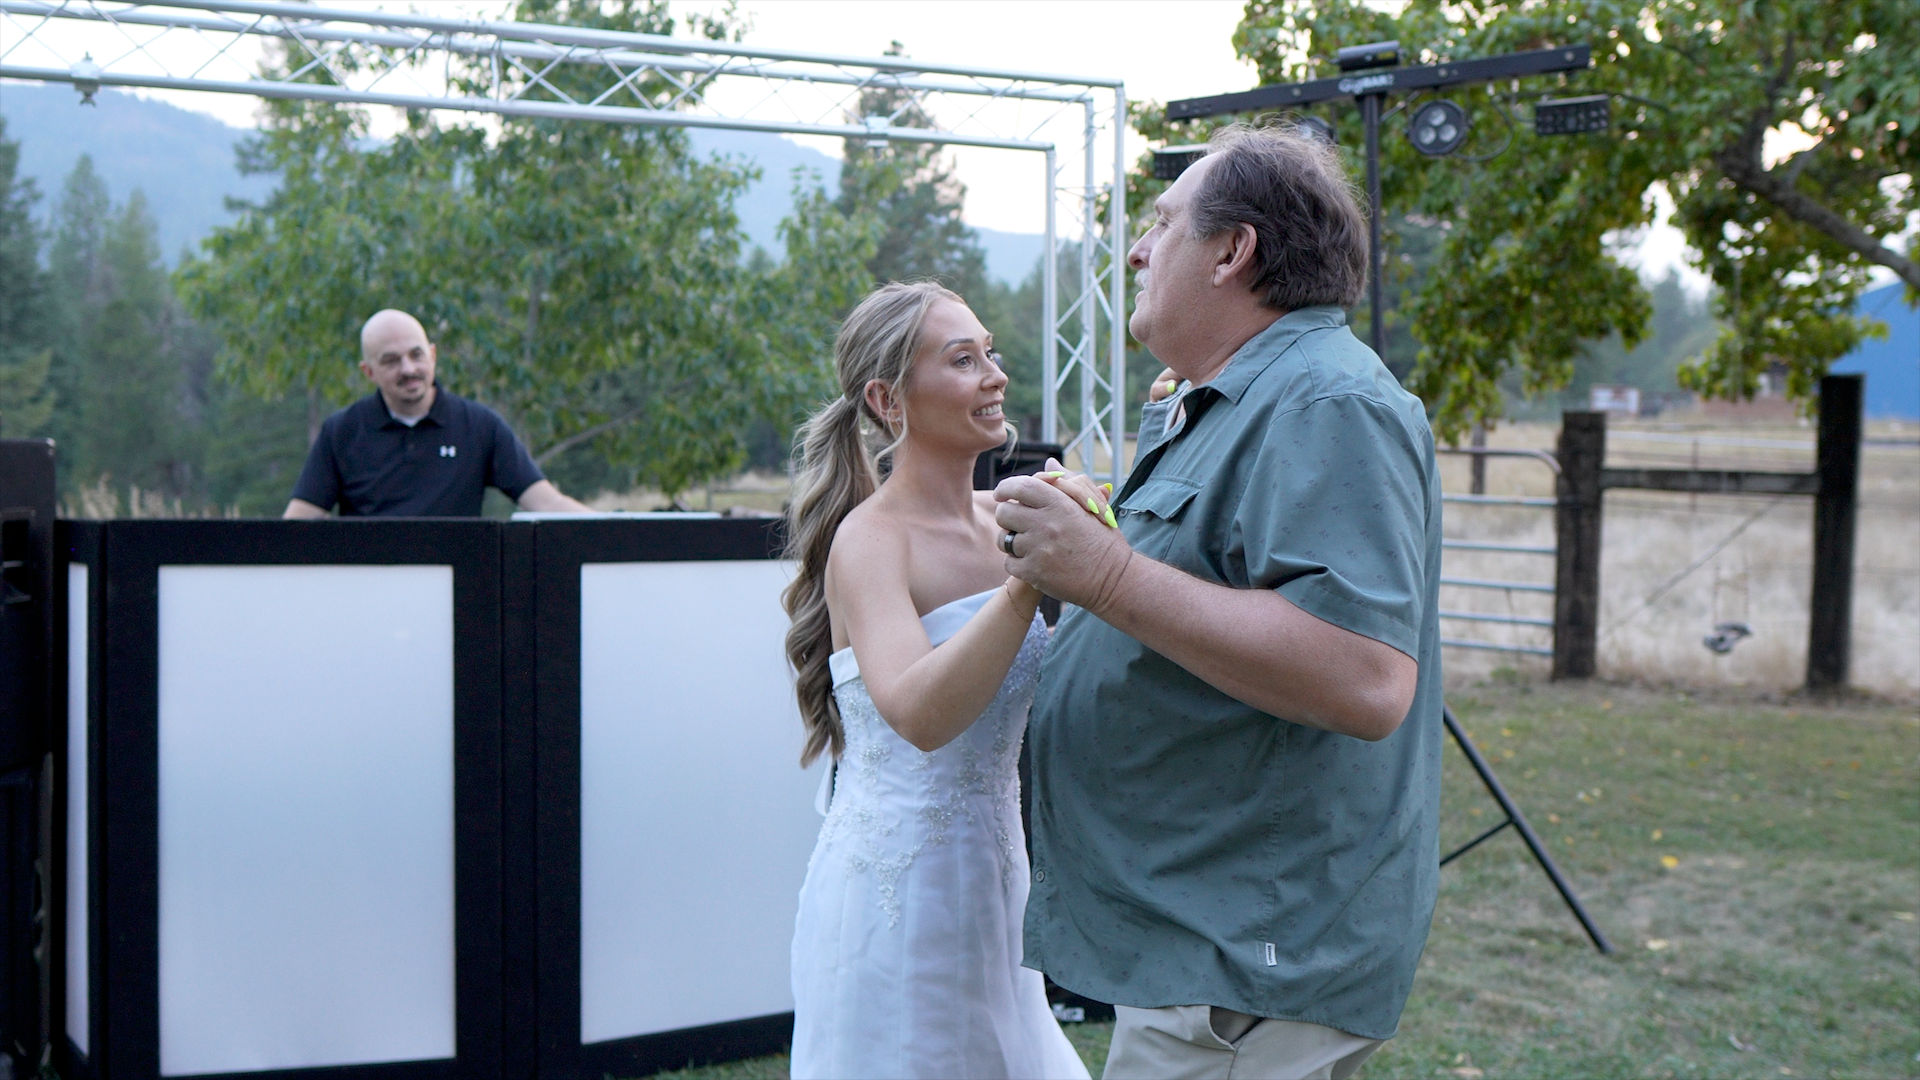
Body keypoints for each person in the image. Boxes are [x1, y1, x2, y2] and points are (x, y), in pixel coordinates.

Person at [994, 124, 1444, 1079]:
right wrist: (1086, 565)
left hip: (1246, 953)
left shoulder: (1326, 401)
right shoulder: (1229, 397)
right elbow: (1200, 605)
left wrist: (1107, 575)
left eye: (1163, 223)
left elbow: (1363, 677)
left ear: (1234, 251)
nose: (1137, 249)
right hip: (1205, 934)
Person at [781, 281, 1098, 1080]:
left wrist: (1097, 530)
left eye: (990, 352)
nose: (995, 374)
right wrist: (1026, 584)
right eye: (964, 360)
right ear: (890, 398)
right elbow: (919, 714)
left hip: (998, 885)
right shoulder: (870, 541)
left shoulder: (1011, 518)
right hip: (898, 897)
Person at [284, 309, 591, 518]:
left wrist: (628, 526)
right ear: (369, 371)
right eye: (391, 361)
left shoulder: (479, 426)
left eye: (416, 355)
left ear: (432, 355)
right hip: (369, 596)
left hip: (458, 592)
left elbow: (547, 503)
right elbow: (299, 522)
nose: (409, 369)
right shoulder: (341, 432)